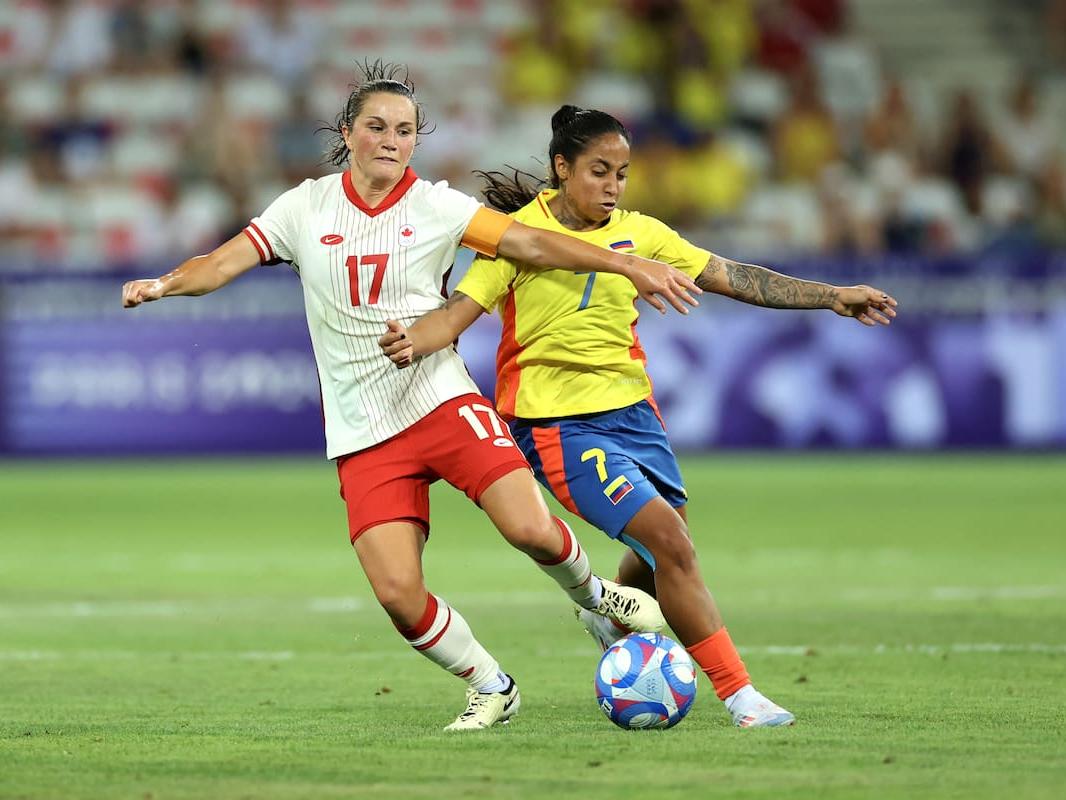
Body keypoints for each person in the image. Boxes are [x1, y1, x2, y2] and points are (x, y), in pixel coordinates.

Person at [121, 64, 704, 732]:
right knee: (398, 594)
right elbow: (220, 264)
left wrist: (625, 260)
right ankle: (491, 686)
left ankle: (596, 598)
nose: (391, 140)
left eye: (404, 130)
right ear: (348, 133)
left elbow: (533, 244)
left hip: (439, 399)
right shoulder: (303, 208)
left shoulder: (437, 207)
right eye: (377, 126)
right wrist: (165, 284)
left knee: (528, 528)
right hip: (362, 427)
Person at [379, 104, 899, 728]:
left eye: (622, 174)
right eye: (599, 171)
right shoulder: (518, 237)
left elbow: (731, 275)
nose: (612, 186)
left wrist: (830, 295)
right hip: (557, 425)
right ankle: (742, 696)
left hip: (635, 415)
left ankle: (610, 615)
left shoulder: (642, 234)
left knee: (659, 551)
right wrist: (415, 339)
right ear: (562, 167)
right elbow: (460, 311)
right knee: (672, 545)